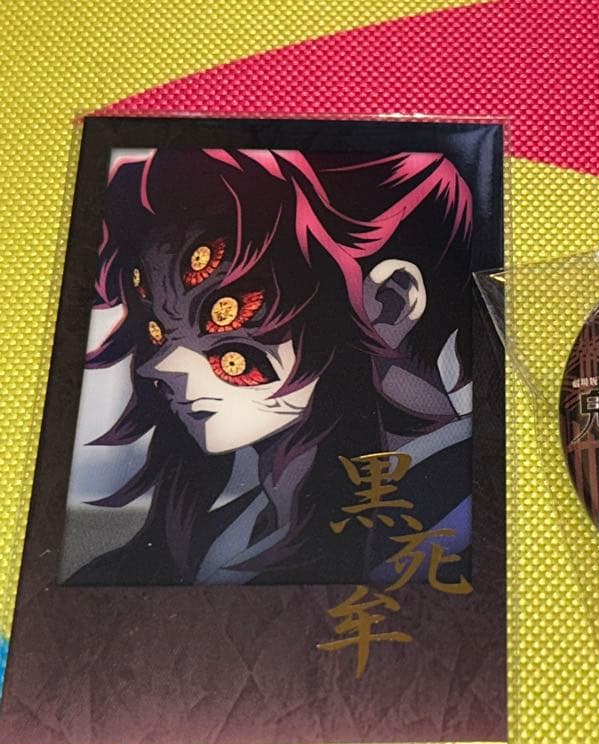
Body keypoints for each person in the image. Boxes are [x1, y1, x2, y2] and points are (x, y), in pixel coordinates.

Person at [65, 148, 476, 585]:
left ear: (389, 303)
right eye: (158, 328)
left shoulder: (465, 524)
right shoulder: (223, 535)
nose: (160, 367)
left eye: (226, 313)